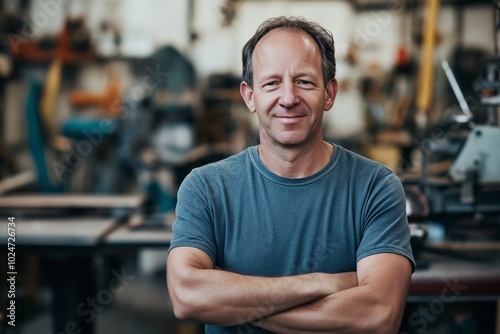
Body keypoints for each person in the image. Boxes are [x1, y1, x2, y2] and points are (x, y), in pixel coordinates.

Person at [167, 16, 415, 334]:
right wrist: (322, 284)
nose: (288, 98)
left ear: (329, 93)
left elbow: (378, 315)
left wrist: (233, 307)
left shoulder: (375, 187)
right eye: (271, 83)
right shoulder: (206, 187)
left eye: (305, 82)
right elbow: (187, 296)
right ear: (249, 96)